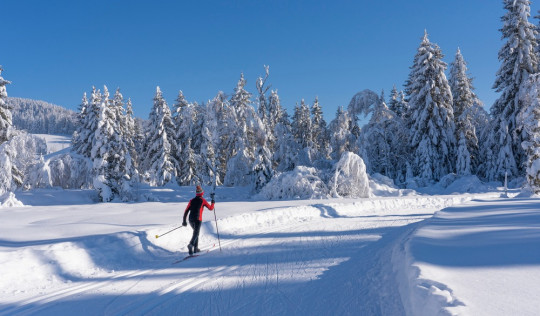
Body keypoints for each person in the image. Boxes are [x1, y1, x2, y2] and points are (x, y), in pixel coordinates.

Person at [182, 185, 215, 255]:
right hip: (198, 219)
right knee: (196, 233)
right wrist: (213, 202)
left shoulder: (191, 201)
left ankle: (195, 248)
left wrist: (184, 221)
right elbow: (211, 208)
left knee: (196, 233)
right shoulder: (203, 200)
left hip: (191, 219)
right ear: (202, 193)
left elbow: (186, 211)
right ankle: (191, 245)